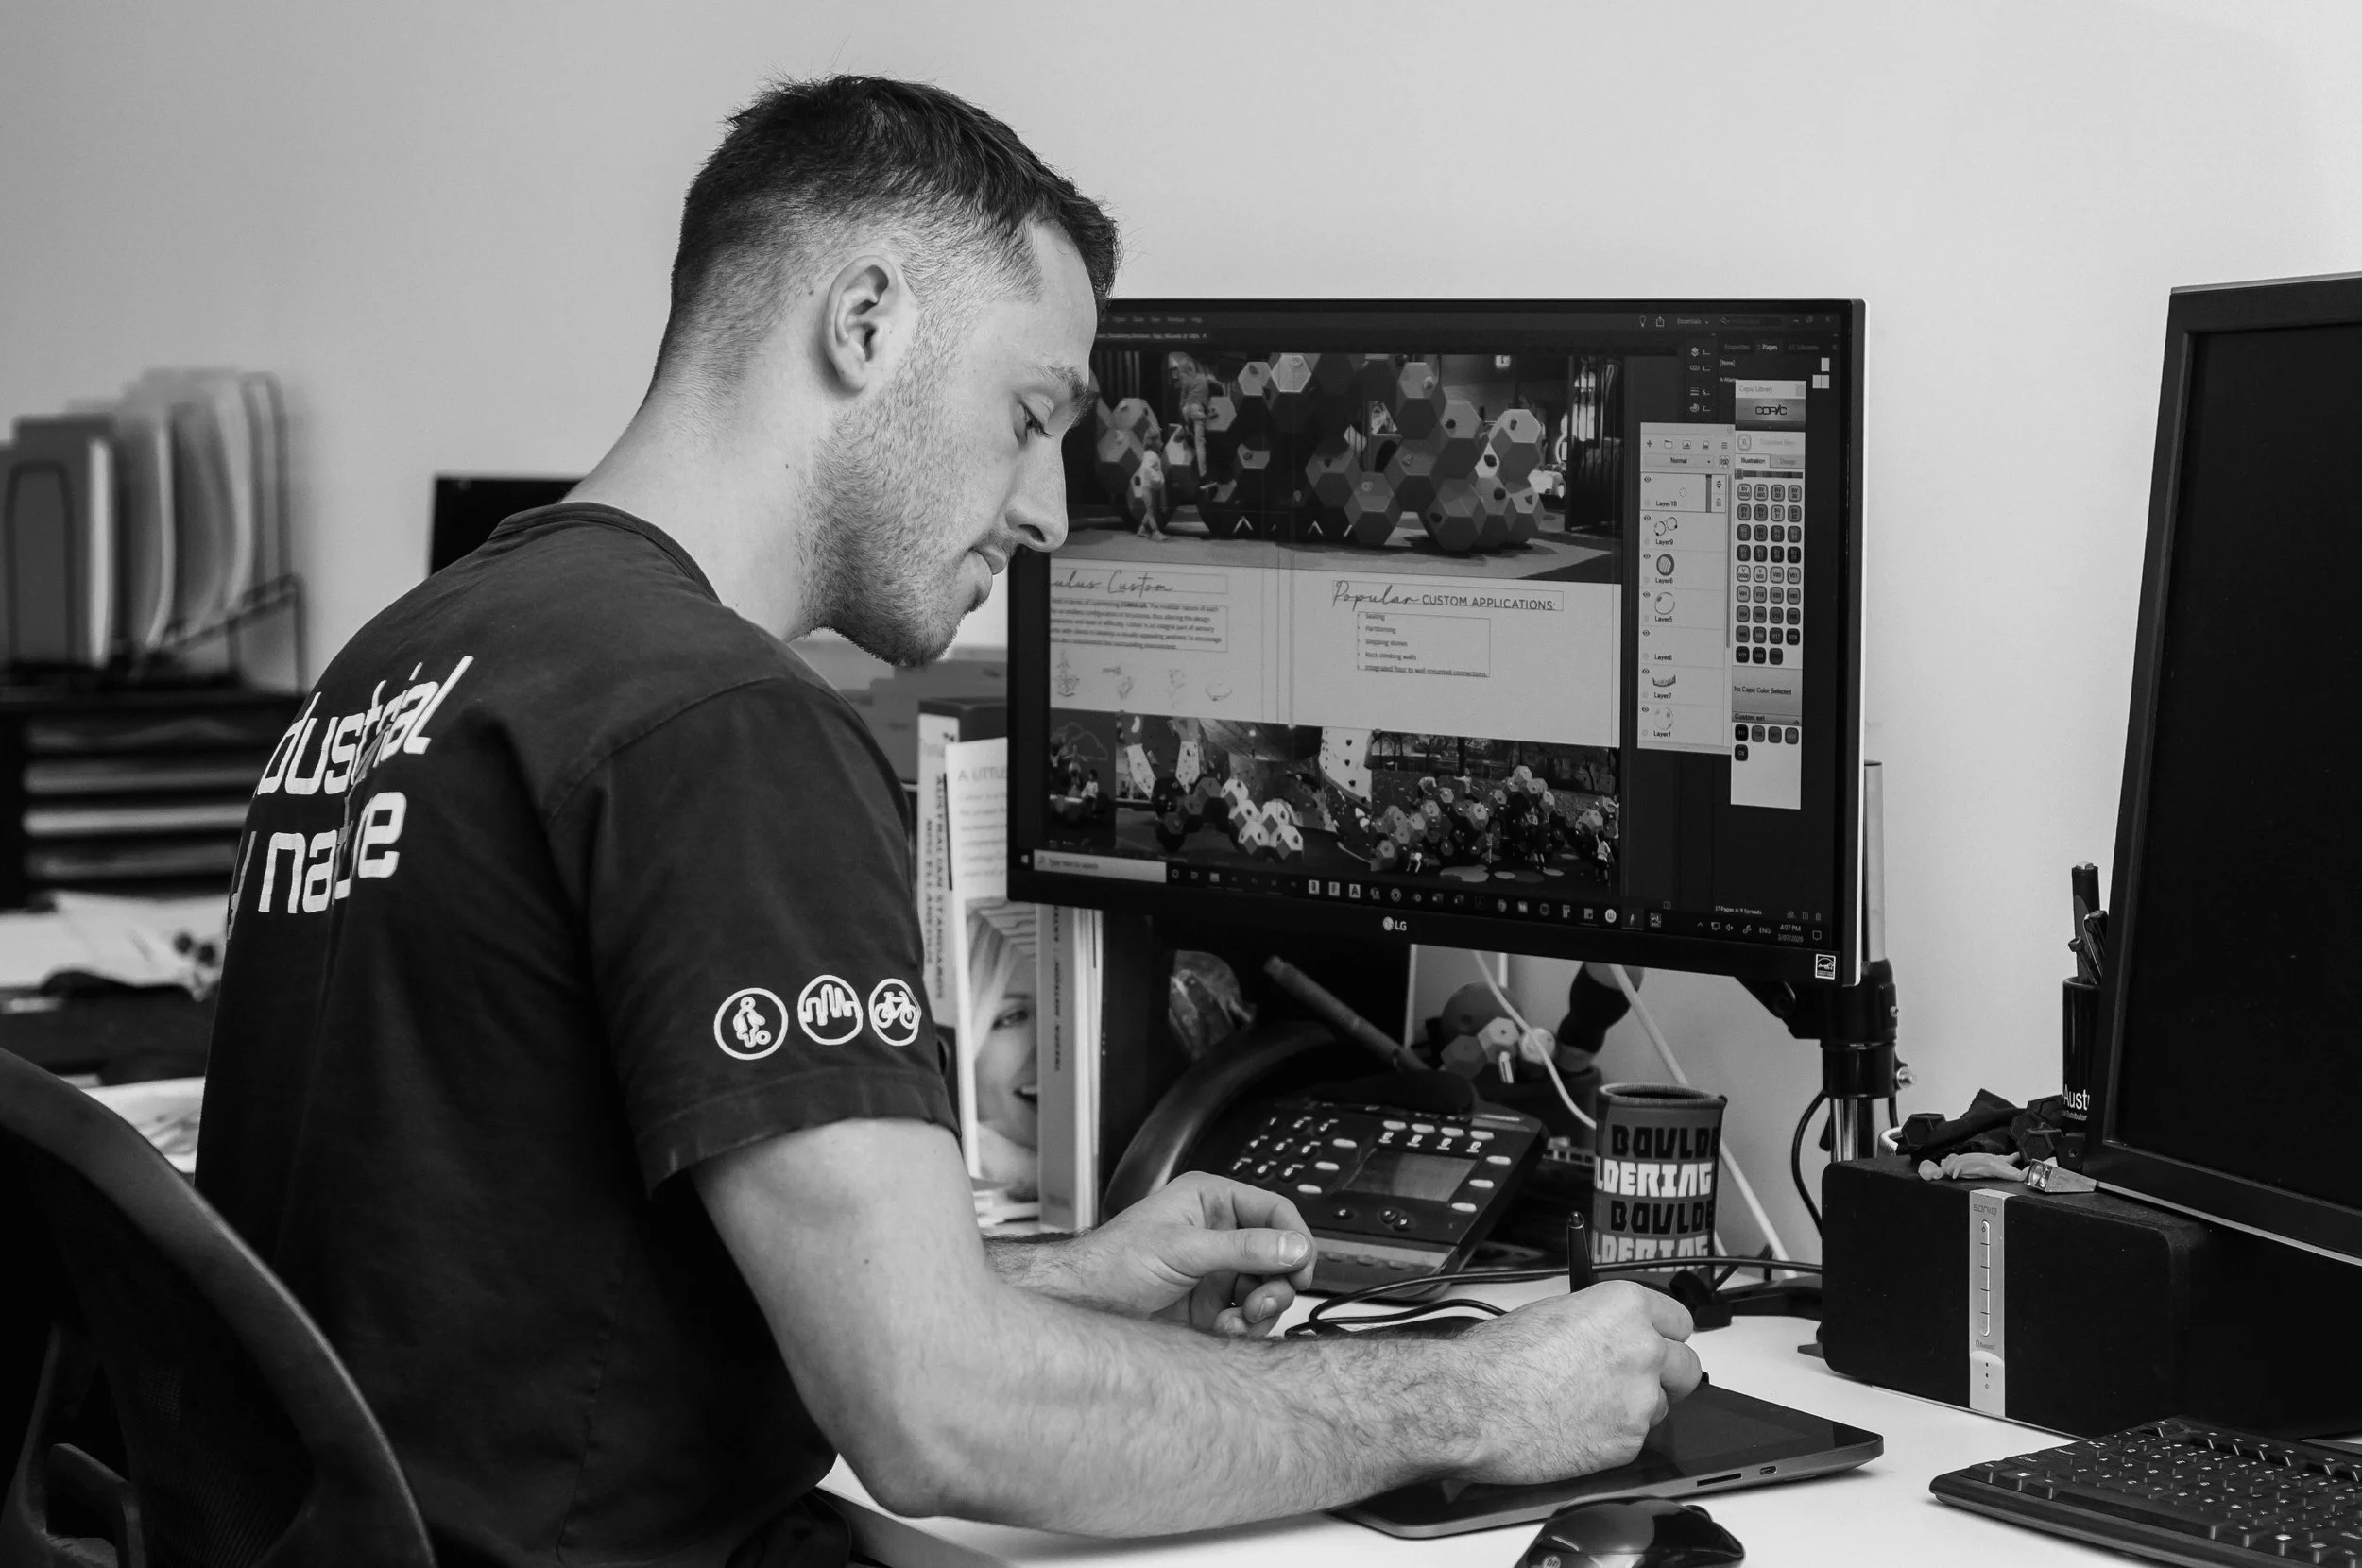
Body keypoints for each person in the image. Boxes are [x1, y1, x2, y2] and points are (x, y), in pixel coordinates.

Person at [196, 75, 1699, 1568]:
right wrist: (1471, 1391)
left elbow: (512, 1288)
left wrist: (1044, 1286)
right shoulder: (715, 726)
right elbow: (940, 1424)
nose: (1048, 508)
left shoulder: (413, 656)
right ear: (865, 326)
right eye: (1032, 414)